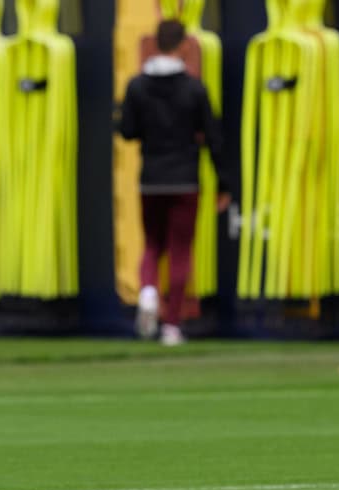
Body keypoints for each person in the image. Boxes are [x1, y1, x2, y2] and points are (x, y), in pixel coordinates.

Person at [118, 19, 232, 346]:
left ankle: (150, 295)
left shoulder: (137, 86)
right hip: (184, 180)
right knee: (181, 250)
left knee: (152, 246)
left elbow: (127, 131)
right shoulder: (194, 89)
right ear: (183, 45)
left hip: (151, 178)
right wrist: (224, 183)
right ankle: (171, 327)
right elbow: (214, 138)